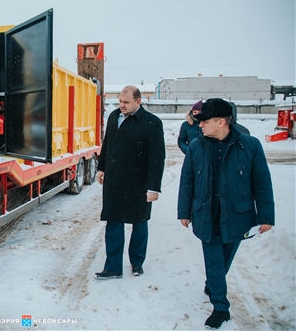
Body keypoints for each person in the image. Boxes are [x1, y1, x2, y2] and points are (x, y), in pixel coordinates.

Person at [177, 98, 274, 329]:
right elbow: (187, 181)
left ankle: (213, 282)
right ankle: (221, 307)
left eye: (205, 121)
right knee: (214, 259)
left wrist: (266, 216)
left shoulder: (250, 145)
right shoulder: (196, 147)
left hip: (237, 216)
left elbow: (261, 182)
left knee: (223, 261)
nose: (200, 125)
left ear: (221, 122)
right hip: (206, 215)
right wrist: (184, 211)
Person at [95, 85, 165, 280]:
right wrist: (101, 168)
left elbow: (157, 158)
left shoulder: (151, 123)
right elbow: (107, 144)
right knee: (113, 221)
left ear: (138, 102)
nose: (122, 106)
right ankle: (113, 267)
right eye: (120, 102)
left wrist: (153, 187)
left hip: (138, 181)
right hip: (114, 181)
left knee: (139, 222)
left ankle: (137, 262)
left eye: (126, 102)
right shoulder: (114, 117)